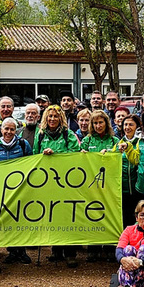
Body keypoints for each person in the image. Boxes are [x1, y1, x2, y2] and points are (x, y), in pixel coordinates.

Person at [34, 106, 82, 266]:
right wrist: (43, 155)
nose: (52, 119)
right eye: (50, 116)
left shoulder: (68, 135)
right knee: (52, 216)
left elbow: (75, 155)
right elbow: (35, 156)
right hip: (48, 183)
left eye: (55, 116)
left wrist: (57, 156)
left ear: (60, 118)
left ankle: (70, 252)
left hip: (66, 183)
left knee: (68, 217)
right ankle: (56, 250)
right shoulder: (40, 135)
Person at [0, 118, 33, 266]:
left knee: (21, 218)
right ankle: (12, 251)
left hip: (20, 187)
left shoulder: (23, 145)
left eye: (12, 129)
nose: (9, 132)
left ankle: (21, 250)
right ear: (1, 129)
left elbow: (31, 163)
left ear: (16, 130)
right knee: (8, 219)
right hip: (2, 189)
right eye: (6, 129)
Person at [118, 114, 143, 230]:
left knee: (137, 217)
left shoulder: (141, 142)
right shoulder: (118, 143)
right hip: (123, 189)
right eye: (125, 124)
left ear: (137, 127)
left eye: (131, 124)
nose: (127, 127)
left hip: (137, 188)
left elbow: (138, 160)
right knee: (125, 217)